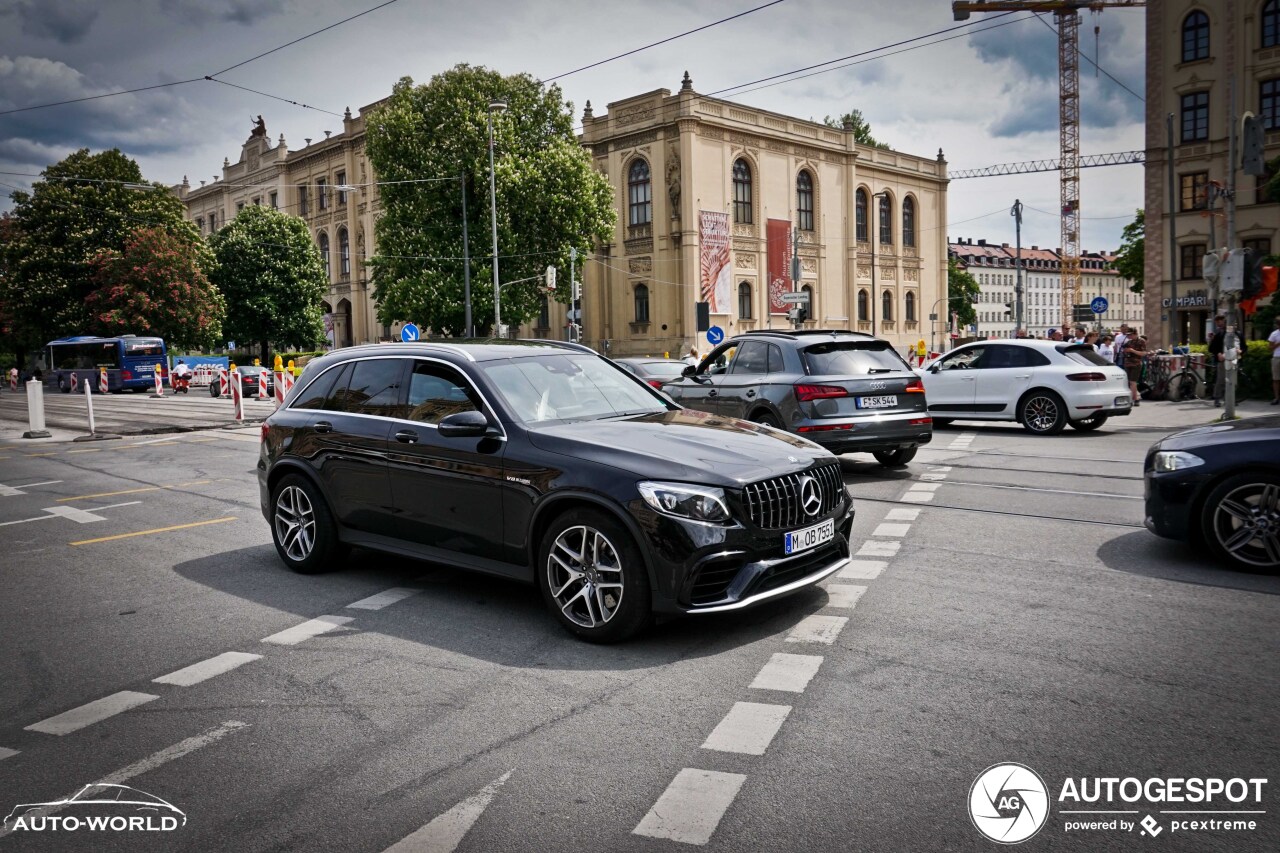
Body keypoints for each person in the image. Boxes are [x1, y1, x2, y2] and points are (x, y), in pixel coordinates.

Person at [1122, 332, 1148, 405]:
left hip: (1136, 364)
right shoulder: (1128, 342)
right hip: (1127, 363)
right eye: (1128, 335)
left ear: (1135, 334)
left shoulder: (1141, 341)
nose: (1129, 336)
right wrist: (1125, 351)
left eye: (1130, 335)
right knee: (1130, 382)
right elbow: (1123, 351)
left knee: (1133, 382)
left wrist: (1132, 351)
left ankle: (1135, 399)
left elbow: (1143, 353)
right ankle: (1134, 398)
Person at [1207, 315, 1226, 406]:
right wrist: (1218, 353)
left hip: (1231, 359)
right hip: (1221, 359)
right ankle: (1217, 398)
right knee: (1221, 379)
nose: (1218, 324)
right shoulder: (1218, 333)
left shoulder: (1232, 332)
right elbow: (1211, 348)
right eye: (1217, 322)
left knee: (1230, 380)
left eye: (1219, 321)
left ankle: (1228, 398)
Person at [1269, 316, 1280, 405]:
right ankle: (1276, 398)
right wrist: (1278, 343)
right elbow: (1270, 348)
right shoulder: (1274, 334)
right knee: (1276, 379)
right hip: (1277, 357)